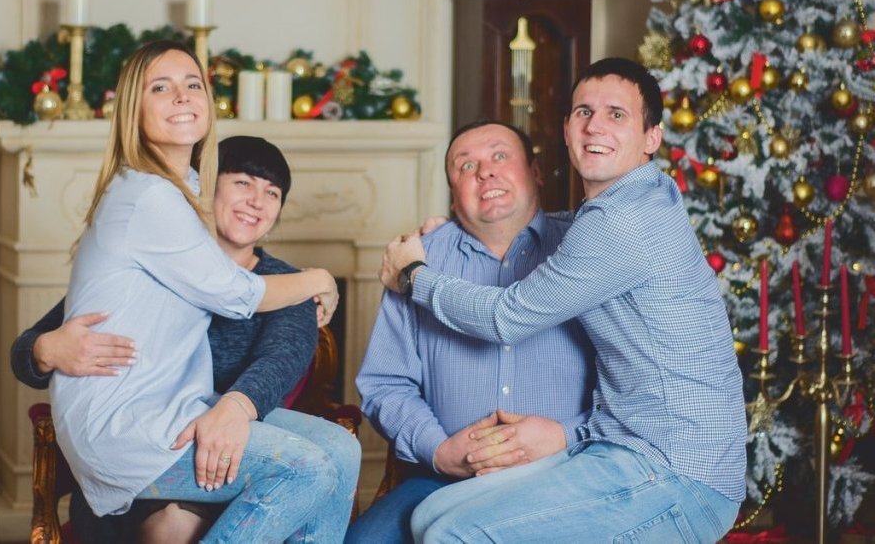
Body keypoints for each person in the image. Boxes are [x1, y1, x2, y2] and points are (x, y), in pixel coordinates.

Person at [380, 57, 747, 543]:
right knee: (428, 515)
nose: (595, 126)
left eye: (617, 114)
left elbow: (507, 316)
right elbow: (582, 242)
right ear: (567, 129)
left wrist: (413, 276)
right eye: (583, 112)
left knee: (454, 534)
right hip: (619, 446)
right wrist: (458, 231)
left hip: (677, 469)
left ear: (651, 137)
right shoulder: (639, 198)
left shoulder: (620, 221)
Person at [49, 39, 351, 543]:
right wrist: (320, 280)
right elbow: (236, 294)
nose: (182, 97)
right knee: (308, 469)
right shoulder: (149, 194)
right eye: (160, 88)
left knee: (341, 451)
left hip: (174, 405)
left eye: (193, 85)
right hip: (125, 423)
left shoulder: (186, 189)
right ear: (133, 108)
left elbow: (278, 349)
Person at [346, 121, 595, 543]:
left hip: (570, 470)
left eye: (500, 156)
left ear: (535, 171)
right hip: (442, 479)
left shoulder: (586, 249)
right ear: (452, 193)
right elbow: (384, 384)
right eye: (466, 165)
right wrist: (439, 450)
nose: (485, 172)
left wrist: (567, 436)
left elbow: (630, 381)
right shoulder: (416, 262)